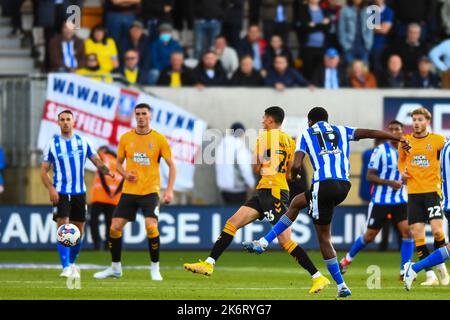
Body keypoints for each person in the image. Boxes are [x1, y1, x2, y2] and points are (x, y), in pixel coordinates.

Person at [242, 106, 411, 298]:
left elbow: (297, 164)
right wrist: (398, 137)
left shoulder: (306, 133)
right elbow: (370, 133)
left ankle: (340, 285)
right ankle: (264, 242)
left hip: (323, 184)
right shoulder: (341, 130)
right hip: (344, 186)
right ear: (327, 120)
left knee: (323, 237)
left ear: (310, 121)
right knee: (297, 203)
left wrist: (294, 175)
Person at [184, 107, 331, 294]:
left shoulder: (264, 137)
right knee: (232, 223)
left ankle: (318, 277)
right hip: (269, 191)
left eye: (264, 117)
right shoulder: (290, 142)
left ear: (270, 119)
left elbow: (256, 167)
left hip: (272, 192)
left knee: (286, 241)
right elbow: (291, 173)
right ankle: (209, 263)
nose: (262, 120)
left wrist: (264, 167)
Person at [93, 103, 176, 281]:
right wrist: (125, 173)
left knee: (150, 226)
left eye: (144, 114)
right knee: (114, 228)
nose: (140, 117)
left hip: (150, 191)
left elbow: (172, 166)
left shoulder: (159, 139)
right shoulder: (125, 138)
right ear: (134, 116)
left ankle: (155, 269)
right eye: (137, 114)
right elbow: (118, 163)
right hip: (129, 191)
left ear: (150, 116)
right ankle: (115, 268)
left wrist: (169, 191)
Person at [40, 110, 113, 278]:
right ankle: (65, 267)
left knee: (78, 232)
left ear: (74, 122)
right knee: (63, 225)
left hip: (79, 193)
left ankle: (72, 263)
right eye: (62, 120)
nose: (65, 122)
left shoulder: (83, 141)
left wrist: (107, 171)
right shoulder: (52, 144)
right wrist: (51, 188)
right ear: (58, 123)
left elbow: (96, 161)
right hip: (61, 192)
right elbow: (44, 171)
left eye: (68, 119)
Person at [339, 120, 414, 280]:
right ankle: (346, 260)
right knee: (369, 236)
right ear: (388, 132)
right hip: (381, 200)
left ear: (402, 132)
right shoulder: (380, 150)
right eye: (391, 129)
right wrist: (390, 183)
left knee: (407, 232)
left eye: (397, 129)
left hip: (400, 199)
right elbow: (369, 176)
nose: (394, 132)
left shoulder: (408, 151)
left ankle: (404, 270)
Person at [397, 107, 449, 286]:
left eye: (420, 120)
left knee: (437, 231)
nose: (416, 123)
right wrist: (402, 174)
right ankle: (430, 275)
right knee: (417, 233)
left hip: (432, 190)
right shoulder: (405, 142)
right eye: (414, 120)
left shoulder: (438, 140)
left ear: (427, 121)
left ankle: (441, 266)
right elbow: (401, 162)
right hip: (413, 192)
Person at [90, 146, 123, 250]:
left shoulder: (102, 156)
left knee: (93, 221)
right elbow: (123, 180)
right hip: (114, 198)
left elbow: (100, 169)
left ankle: (97, 244)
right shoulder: (120, 162)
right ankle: (108, 245)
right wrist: (115, 192)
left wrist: (107, 190)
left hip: (99, 196)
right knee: (110, 223)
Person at [215, 122, 256, 205]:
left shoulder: (221, 145)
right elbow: (245, 168)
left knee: (227, 214)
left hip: (223, 188)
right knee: (237, 214)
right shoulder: (239, 146)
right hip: (237, 188)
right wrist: (251, 184)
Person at [295, 0, 331, 80]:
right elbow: (304, 27)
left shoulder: (324, 9)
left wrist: (314, 26)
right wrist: (321, 25)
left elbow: (328, 27)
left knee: (320, 71)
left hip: (322, 46)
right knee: (308, 70)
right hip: (308, 46)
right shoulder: (303, 9)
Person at [338, 0, 373, 65]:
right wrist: (345, 46)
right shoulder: (344, 10)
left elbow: (370, 30)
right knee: (349, 70)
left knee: (364, 71)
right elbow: (341, 30)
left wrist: (368, 45)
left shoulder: (368, 11)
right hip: (350, 45)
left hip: (364, 45)